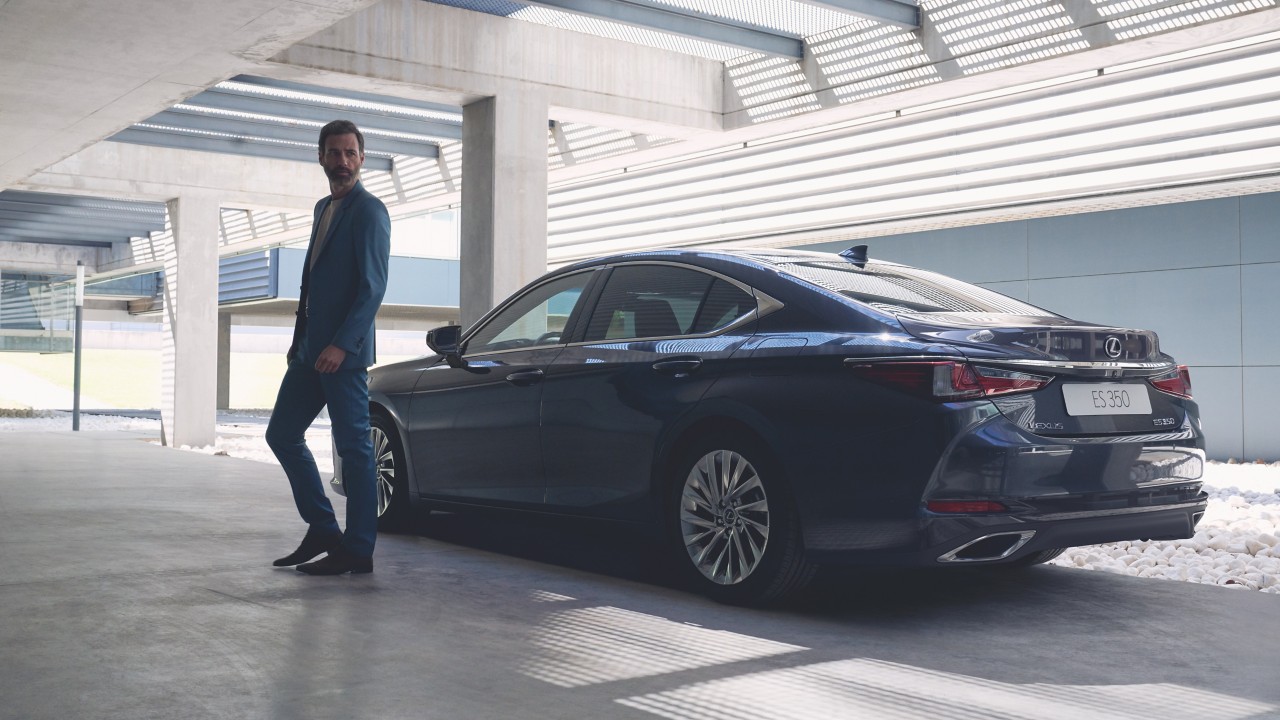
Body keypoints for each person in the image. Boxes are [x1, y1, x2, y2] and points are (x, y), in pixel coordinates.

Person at [266, 119, 391, 575]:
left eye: (350, 153)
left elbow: (372, 287)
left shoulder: (370, 211)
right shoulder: (323, 207)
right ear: (320, 157)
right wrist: (299, 342)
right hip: (308, 353)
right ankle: (322, 527)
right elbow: (312, 285)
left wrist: (342, 344)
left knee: (354, 447)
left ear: (362, 158)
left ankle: (358, 549)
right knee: (280, 434)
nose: (342, 162)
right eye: (333, 153)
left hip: (343, 354)